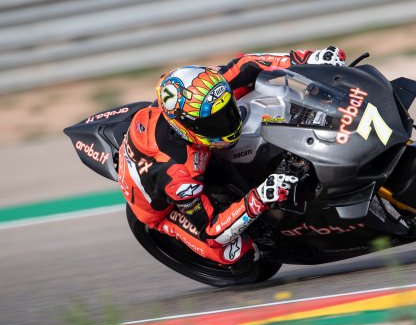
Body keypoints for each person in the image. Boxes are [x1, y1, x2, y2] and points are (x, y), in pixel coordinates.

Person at [117, 46, 346, 272]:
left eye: (227, 110)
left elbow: (248, 64)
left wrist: (308, 58)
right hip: (162, 209)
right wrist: (260, 197)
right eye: (214, 122)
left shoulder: (207, 92)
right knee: (235, 255)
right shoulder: (179, 174)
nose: (227, 122)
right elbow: (211, 230)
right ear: (187, 128)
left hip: (186, 144)